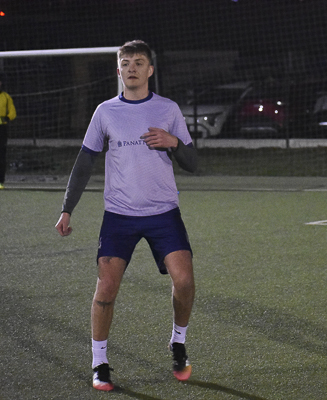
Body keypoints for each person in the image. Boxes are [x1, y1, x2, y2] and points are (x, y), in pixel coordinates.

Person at [55, 40, 198, 391]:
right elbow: (84, 162)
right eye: (126, 62)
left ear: (150, 70)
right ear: (118, 70)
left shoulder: (168, 109)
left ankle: (178, 342)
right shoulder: (105, 112)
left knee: (184, 282)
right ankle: (99, 362)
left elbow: (194, 163)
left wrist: (172, 142)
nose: (132, 67)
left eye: (139, 62)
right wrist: (67, 209)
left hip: (164, 213)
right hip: (119, 216)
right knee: (106, 289)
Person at [0, 78, 17, 189]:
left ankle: (0, 181)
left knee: (1, 154)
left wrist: (8, 117)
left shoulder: (6, 97)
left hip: (2, 128)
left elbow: (13, 112)